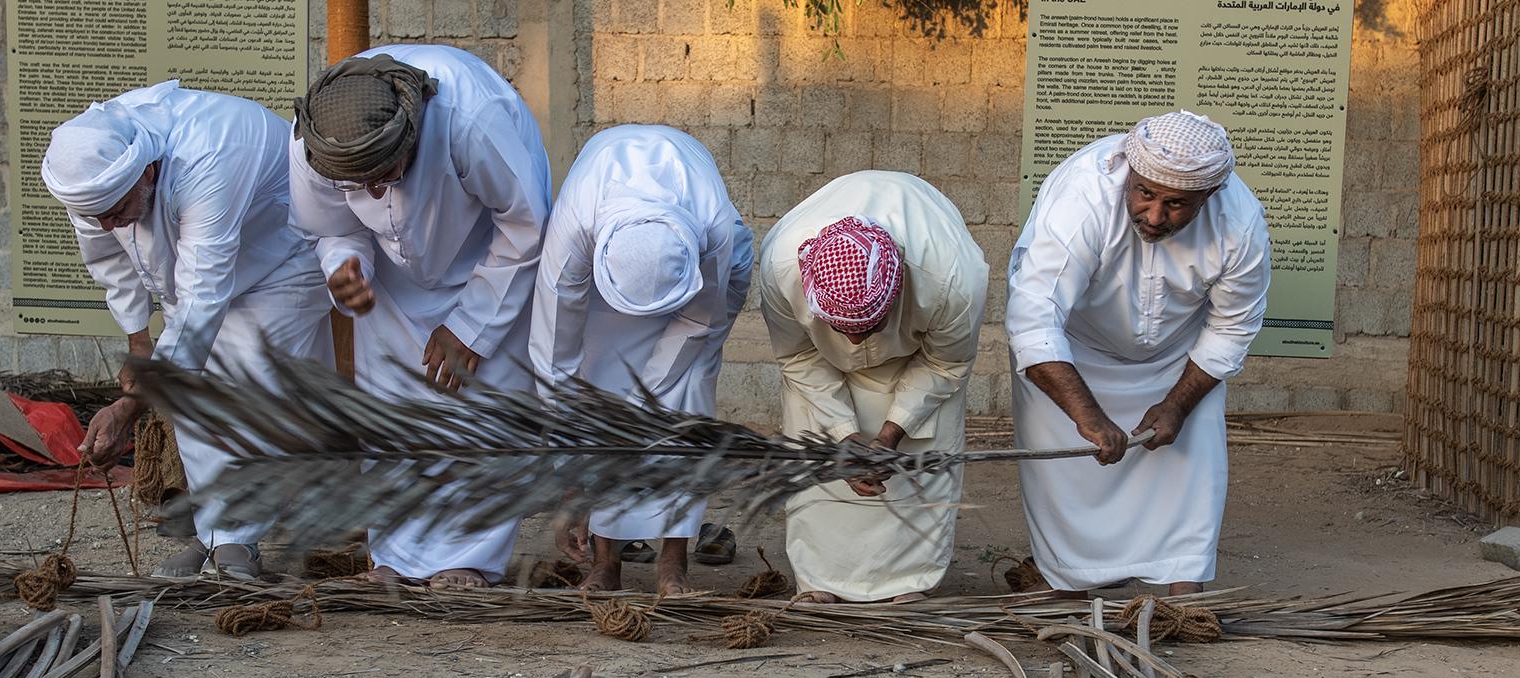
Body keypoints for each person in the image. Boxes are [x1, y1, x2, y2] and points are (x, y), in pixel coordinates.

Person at [42, 80, 334, 581]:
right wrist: (139, 339)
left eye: (117, 211)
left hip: (282, 261)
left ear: (149, 172)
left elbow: (203, 295)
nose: (110, 224)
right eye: (98, 216)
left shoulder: (212, 154)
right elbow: (109, 260)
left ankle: (235, 543)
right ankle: (219, 536)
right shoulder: (92, 178)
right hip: (199, 274)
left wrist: (130, 409)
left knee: (247, 385)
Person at [289, 45, 551, 590]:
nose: (378, 191)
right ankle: (398, 559)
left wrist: (472, 327)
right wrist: (345, 266)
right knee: (392, 405)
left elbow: (525, 226)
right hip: (386, 270)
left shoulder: (470, 122)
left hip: (488, 256)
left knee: (481, 407)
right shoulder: (313, 144)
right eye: (361, 183)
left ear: (411, 136)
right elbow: (331, 227)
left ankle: (469, 559)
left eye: (387, 174)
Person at [1006, 110, 1271, 595]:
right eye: (1145, 193)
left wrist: (1176, 405)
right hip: (1073, 353)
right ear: (1129, 171)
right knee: (1068, 478)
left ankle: (1183, 588)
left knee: (1187, 470)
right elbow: (1034, 318)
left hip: (1178, 358)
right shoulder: (1083, 196)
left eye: (1176, 205)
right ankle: (1067, 581)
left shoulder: (1240, 223)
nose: (1154, 216)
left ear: (1208, 197)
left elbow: (1232, 328)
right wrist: (1085, 414)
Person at [530, 125, 753, 595]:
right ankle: (605, 562)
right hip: (604, 286)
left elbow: (697, 324)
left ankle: (673, 565)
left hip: (697, 299)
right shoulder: (575, 229)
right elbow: (556, 356)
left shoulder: (711, 226)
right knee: (598, 390)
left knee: (686, 400)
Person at [760, 172, 988, 603]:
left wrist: (890, 434)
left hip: (917, 358)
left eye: (869, 327)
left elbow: (946, 361)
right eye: (843, 328)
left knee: (919, 465)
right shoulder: (781, 267)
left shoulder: (952, 279)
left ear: (898, 286)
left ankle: (910, 582)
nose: (856, 342)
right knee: (819, 466)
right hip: (818, 360)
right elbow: (797, 357)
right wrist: (846, 436)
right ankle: (818, 580)